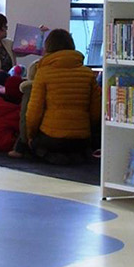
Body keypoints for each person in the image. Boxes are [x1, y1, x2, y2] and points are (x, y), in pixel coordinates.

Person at [24, 27, 101, 166]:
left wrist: (30, 135)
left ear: (48, 48)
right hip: (82, 139)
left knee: (35, 146)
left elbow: (34, 112)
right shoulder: (88, 74)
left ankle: (51, 156)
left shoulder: (43, 73)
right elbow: (96, 112)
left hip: (51, 139)